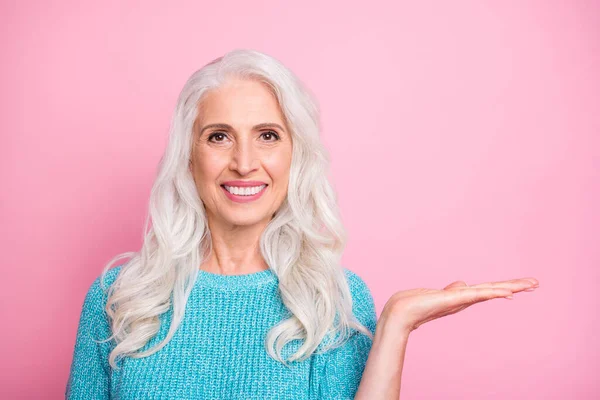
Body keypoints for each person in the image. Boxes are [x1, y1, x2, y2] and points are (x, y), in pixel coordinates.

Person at [65, 49, 539, 399]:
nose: (245, 162)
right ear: (189, 156)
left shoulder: (332, 300)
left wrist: (394, 325)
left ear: (296, 155)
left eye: (267, 136)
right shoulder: (118, 299)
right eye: (219, 137)